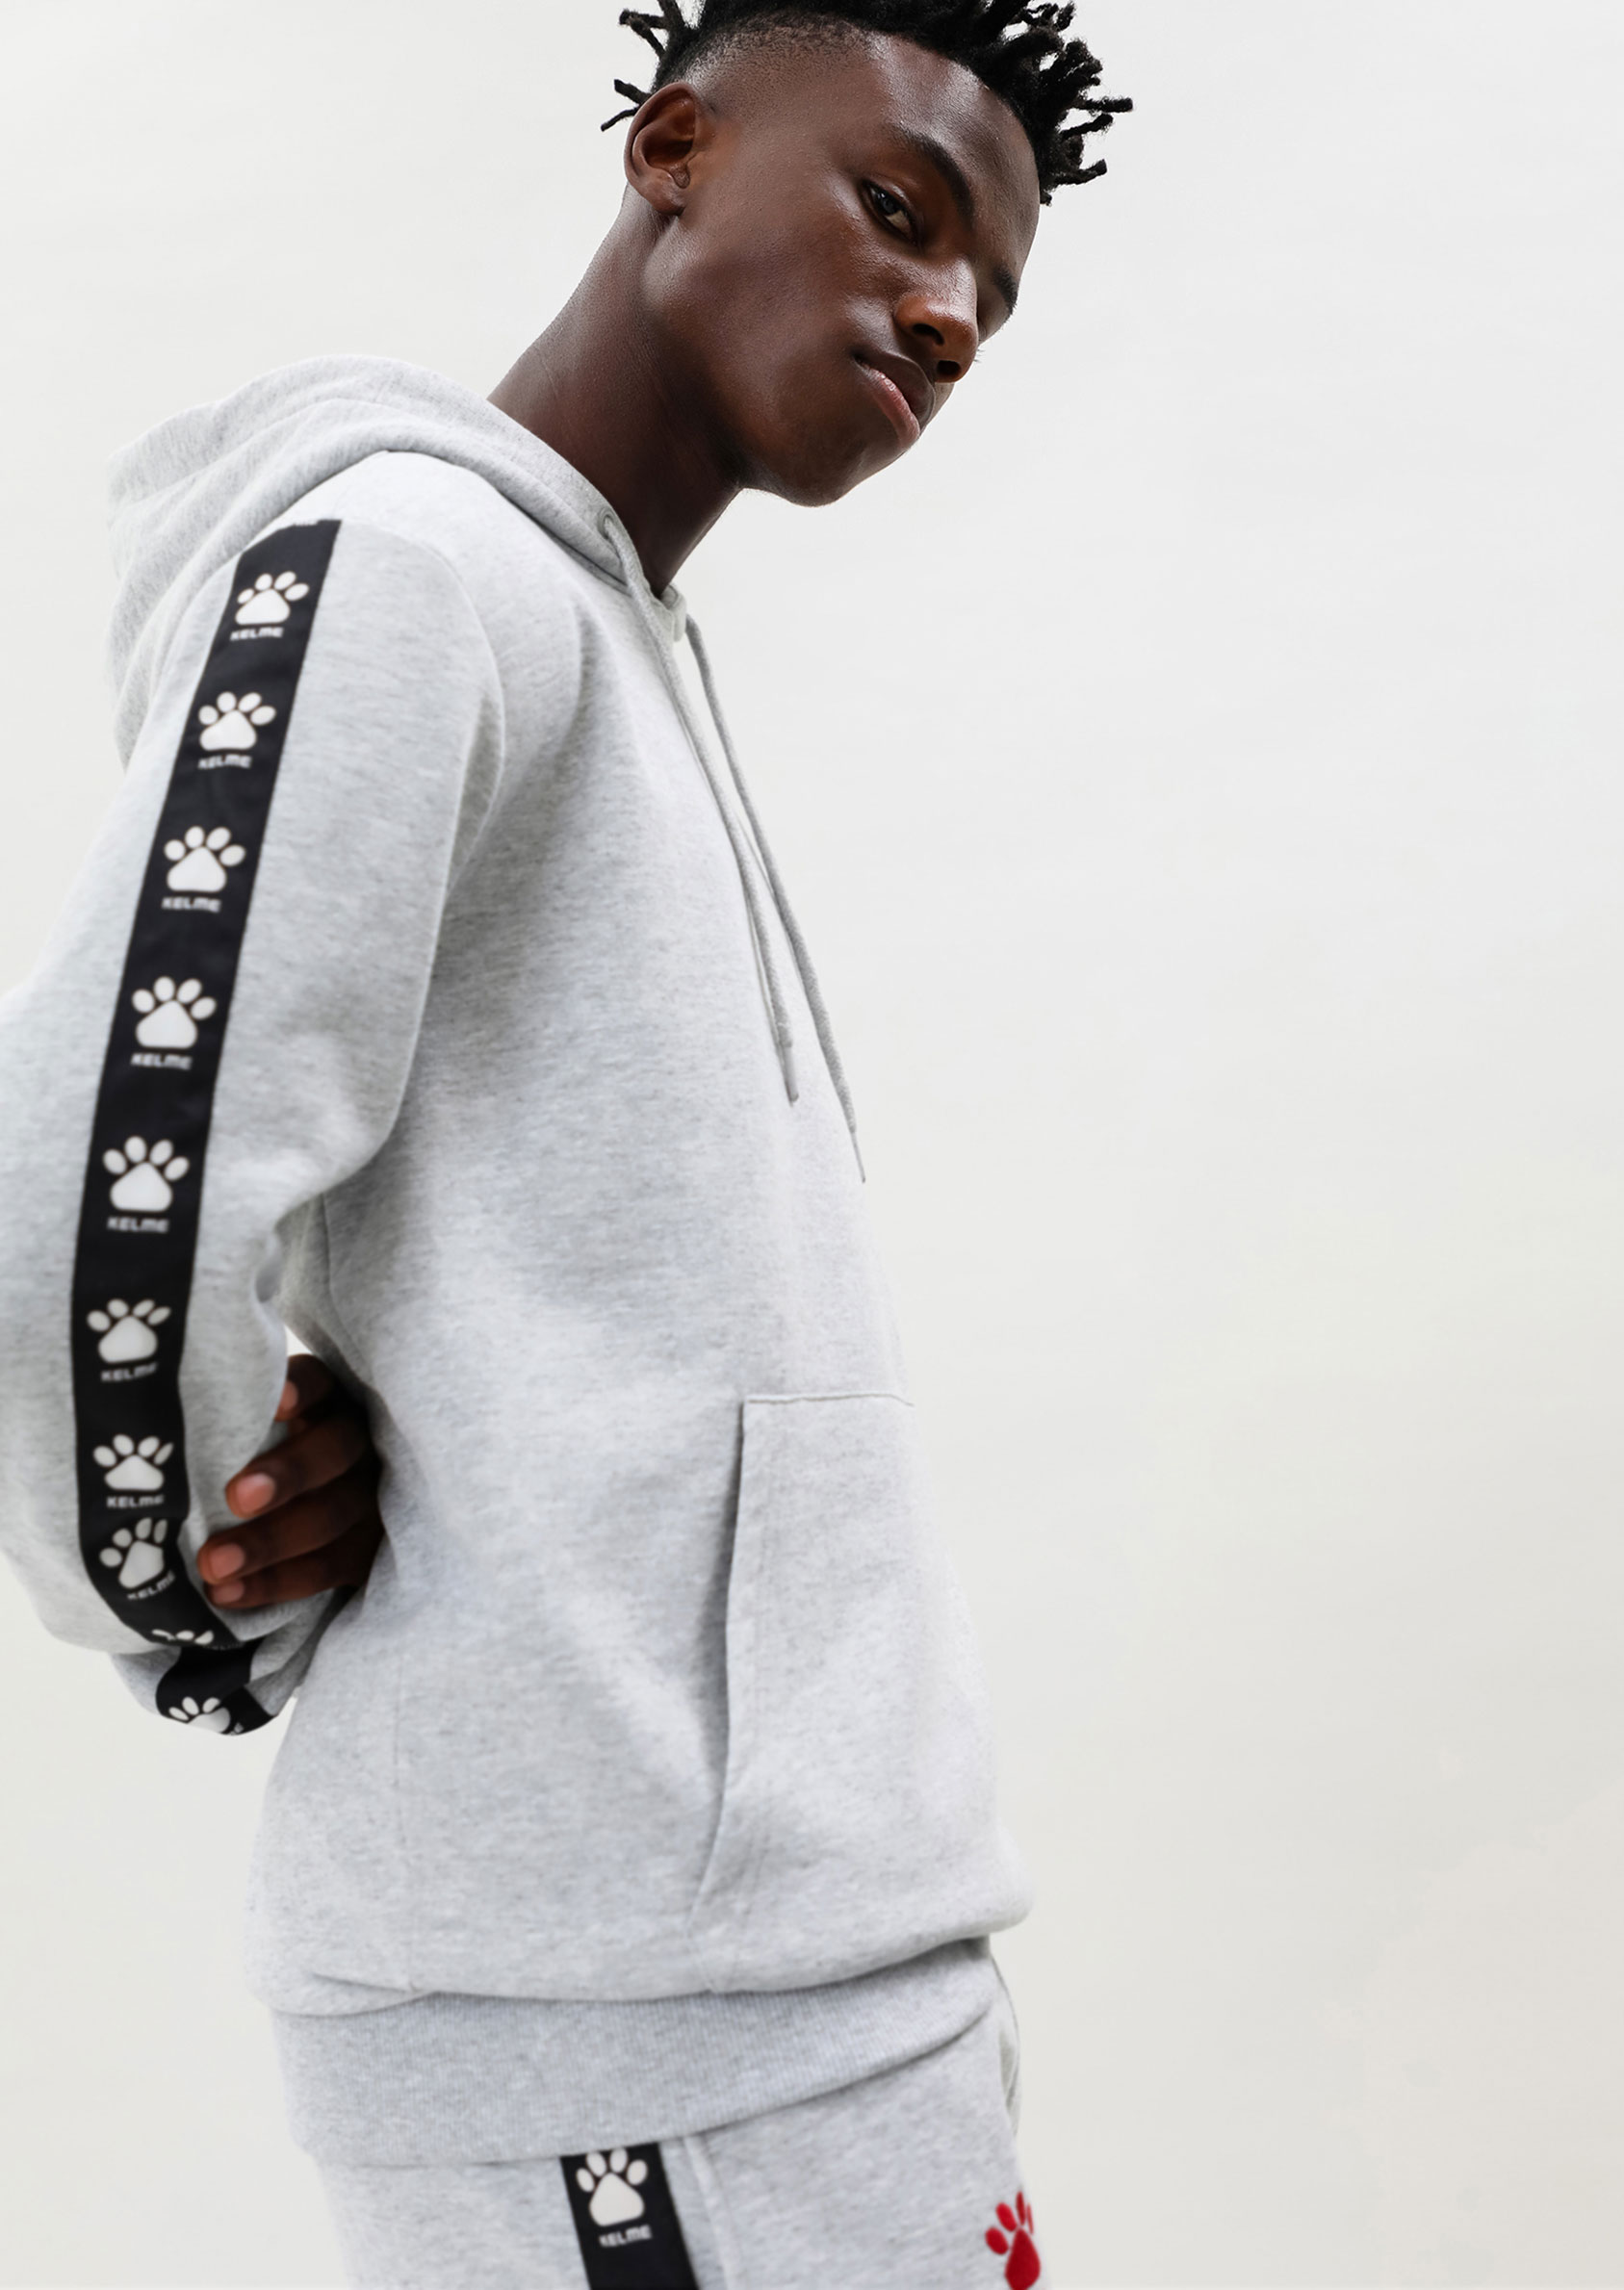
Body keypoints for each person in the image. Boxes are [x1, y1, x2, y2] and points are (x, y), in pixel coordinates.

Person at [0, 4, 1126, 2282]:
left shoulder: (611, 630)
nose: (941, 312)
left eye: (985, 300)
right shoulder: (415, 569)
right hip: (615, 2042)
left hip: (820, 1992)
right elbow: (82, 1188)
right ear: (674, 146)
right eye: (899, 211)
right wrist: (200, 1597)